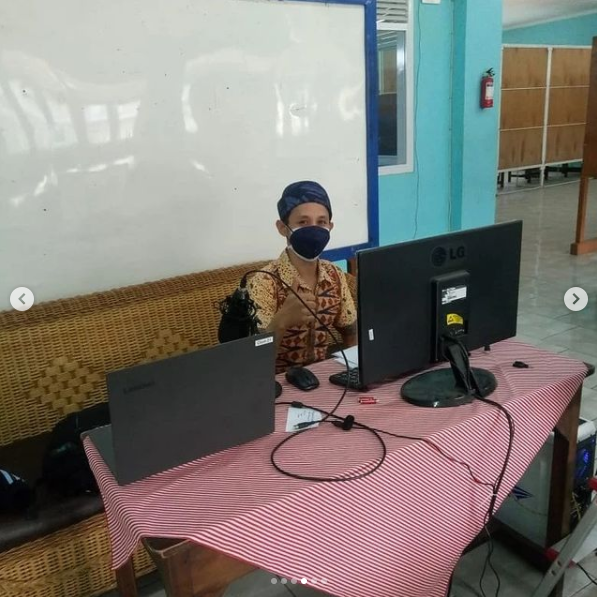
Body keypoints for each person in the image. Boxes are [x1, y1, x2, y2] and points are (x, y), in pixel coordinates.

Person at [247, 181, 357, 372]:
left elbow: (351, 333)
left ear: (330, 227)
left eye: (321, 222)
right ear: (282, 227)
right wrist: (282, 321)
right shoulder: (263, 282)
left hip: (322, 379)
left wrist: (355, 374)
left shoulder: (335, 275)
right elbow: (253, 361)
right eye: (303, 222)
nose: (313, 230)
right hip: (274, 383)